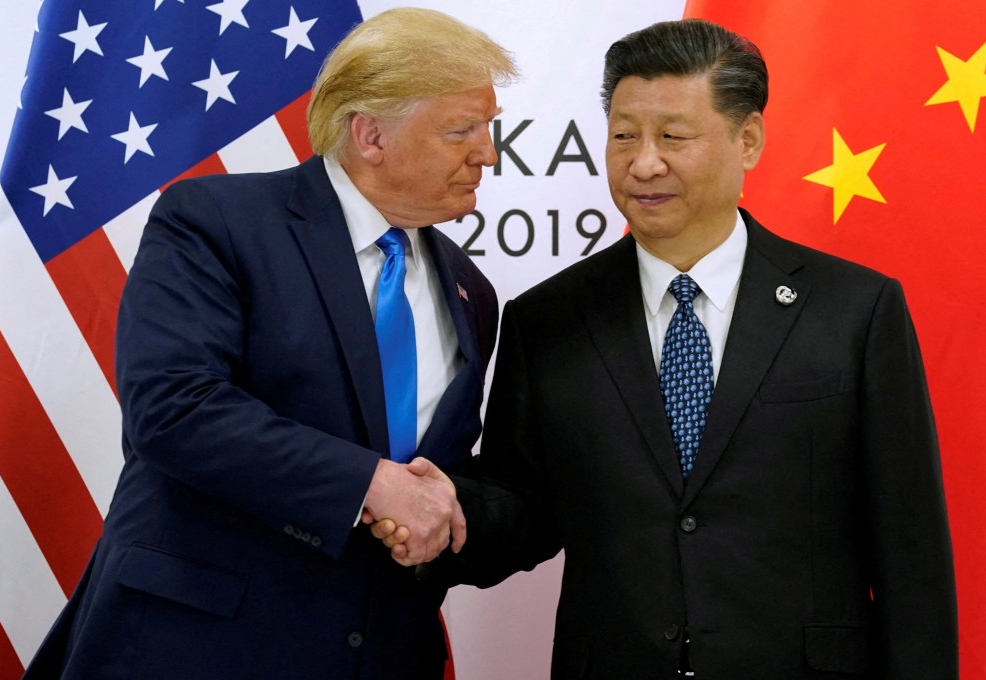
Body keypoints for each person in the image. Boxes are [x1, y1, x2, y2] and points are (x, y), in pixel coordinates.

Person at [380, 17, 958, 680]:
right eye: (624, 135)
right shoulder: (548, 320)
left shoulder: (855, 309)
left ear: (748, 139)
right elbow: (525, 508)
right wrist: (444, 510)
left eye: (673, 137)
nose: (643, 163)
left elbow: (910, 549)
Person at [21, 8, 516, 680]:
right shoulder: (216, 222)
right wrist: (370, 485)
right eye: (461, 131)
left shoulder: (470, 290)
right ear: (371, 135)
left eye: (488, 129)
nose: (487, 154)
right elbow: (174, 407)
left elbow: (434, 476)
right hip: (197, 649)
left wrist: (442, 511)